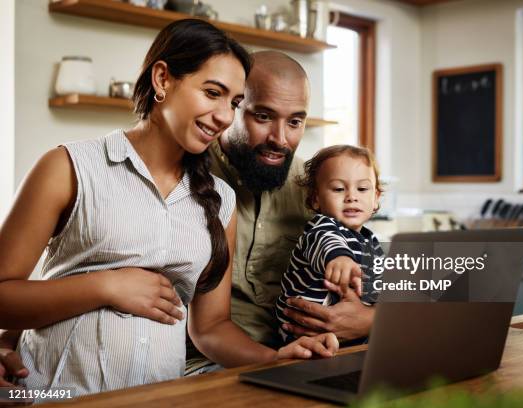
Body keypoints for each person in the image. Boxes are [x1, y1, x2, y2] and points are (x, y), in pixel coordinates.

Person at [0, 20, 337, 397]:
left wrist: (275, 361)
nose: (225, 115)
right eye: (213, 93)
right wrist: (106, 285)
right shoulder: (67, 167)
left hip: (163, 396)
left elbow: (210, 328)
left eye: (234, 102)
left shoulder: (219, 199)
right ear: (162, 79)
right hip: (58, 396)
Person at [185, 52, 376, 374]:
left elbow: (368, 269)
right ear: (233, 107)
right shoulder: (189, 180)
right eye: (262, 116)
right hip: (211, 363)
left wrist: (368, 320)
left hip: (312, 355)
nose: (280, 139)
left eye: (295, 122)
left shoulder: (317, 187)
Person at [275, 145, 384, 344]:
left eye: (362, 188)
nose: (352, 196)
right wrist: (340, 258)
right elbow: (326, 241)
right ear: (316, 199)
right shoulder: (321, 226)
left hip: (354, 338)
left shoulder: (371, 242)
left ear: (376, 198)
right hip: (303, 335)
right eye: (339, 189)